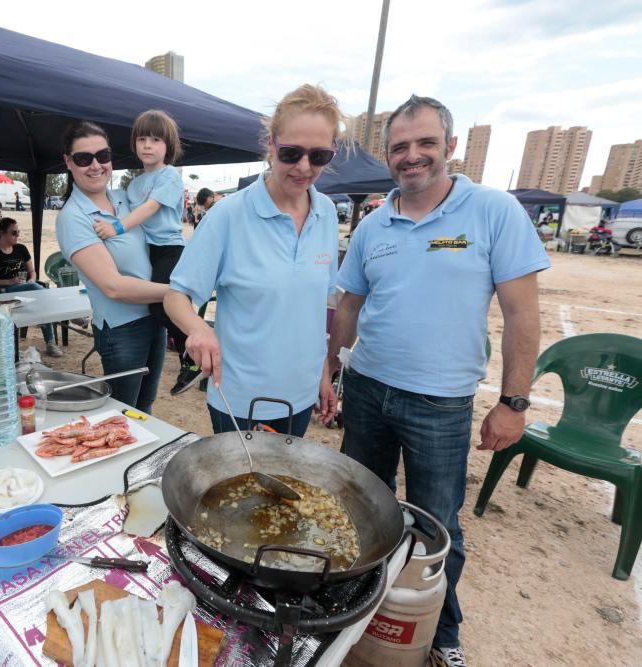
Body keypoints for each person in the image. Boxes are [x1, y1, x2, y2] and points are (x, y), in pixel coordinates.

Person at [327, 95, 550, 667]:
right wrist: (329, 369)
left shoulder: (493, 212)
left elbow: (523, 314)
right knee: (359, 510)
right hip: (368, 390)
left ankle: (443, 635)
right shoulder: (374, 223)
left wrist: (514, 403)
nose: (413, 156)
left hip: (441, 402)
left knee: (437, 526)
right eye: (400, 146)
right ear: (388, 155)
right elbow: (348, 306)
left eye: (426, 143)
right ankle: (351, 612)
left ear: (449, 147)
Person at [164, 84, 341, 436]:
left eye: (319, 156)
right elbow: (176, 296)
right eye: (292, 153)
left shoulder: (327, 213)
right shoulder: (228, 215)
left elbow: (317, 309)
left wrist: (323, 373)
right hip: (241, 397)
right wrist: (198, 329)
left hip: (302, 394)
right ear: (271, 145)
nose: (304, 167)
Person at [56, 121, 168, 412]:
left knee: (146, 407)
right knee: (124, 413)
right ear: (68, 162)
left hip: (155, 317)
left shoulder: (126, 197)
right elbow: (113, 287)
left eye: (102, 156)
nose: (95, 165)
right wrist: (176, 292)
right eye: (83, 158)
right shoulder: (73, 217)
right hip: (123, 329)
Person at [92, 110, 200, 395]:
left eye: (155, 139)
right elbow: (124, 207)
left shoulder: (170, 177)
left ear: (168, 146)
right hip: (148, 251)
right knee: (153, 309)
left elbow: (149, 209)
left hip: (169, 249)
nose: (148, 145)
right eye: (142, 139)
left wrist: (116, 228)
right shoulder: (134, 184)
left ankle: (195, 347)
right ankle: (191, 346)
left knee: (163, 305)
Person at [0, 216, 62, 357]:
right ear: (2, 233)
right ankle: (64, 315)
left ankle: (50, 343)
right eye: (13, 232)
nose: (17, 235)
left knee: (38, 291)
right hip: (2, 292)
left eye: (18, 232)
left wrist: (31, 281)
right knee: (38, 291)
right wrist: (10, 282)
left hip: (25, 287)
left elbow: (32, 272)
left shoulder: (21, 249)